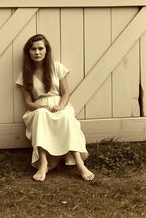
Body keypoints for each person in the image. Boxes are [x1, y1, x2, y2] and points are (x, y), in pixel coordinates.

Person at [16, 34, 94, 182]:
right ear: (29, 52)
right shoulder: (25, 74)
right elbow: (27, 102)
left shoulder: (57, 67)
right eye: (33, 49)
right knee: (40, 115)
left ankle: (79, 162)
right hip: (39, 107)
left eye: (40, 48)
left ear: (46, 50)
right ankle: (43, 163)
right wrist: (41, 106)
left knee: (65, 116)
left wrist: (60, 106)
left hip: (60, 103)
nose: (37, 52)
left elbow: (65, 93)